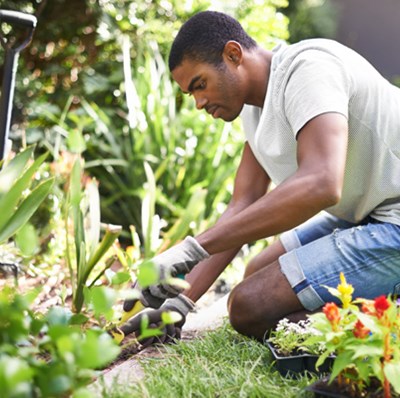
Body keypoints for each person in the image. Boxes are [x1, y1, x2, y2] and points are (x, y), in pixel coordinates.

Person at [122, 10, 400, 345]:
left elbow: (322, 183)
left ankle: (390, 320)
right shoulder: (256, 109)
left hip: (394, 220)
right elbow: (243, 204)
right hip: (369, 216)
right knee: (257, 270)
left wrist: (190, 249)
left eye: (200, 84)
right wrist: (179, 302)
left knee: (248, 306)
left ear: (233, 54)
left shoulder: (308, 70)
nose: (198, 102)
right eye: (190, 93)